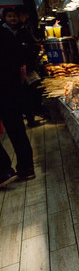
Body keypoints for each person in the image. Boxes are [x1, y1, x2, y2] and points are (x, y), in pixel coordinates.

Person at [0, 25, 35, 186]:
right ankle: (26, 169)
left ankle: (4, 171)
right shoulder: (4, 33)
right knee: (17, 129)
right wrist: (18, 84)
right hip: (9, 89)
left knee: (16, 129)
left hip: (7, 88)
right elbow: (22, 64)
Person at [2, 8, 42, 126]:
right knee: (19, 95)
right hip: (11, 72)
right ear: (4, 18)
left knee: (29, 93)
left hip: (28, 68)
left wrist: (32, 57)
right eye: (9, 16)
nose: (13, 18)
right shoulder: (3, 32)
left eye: (14, 16)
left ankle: (31, 118)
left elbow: (34, 45)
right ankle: (19, 119)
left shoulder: (23, 30)